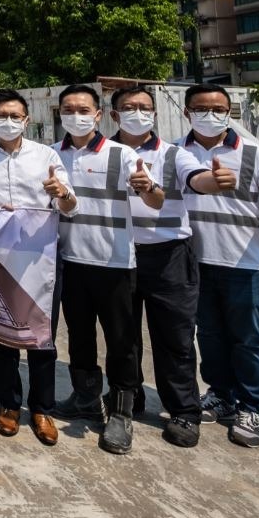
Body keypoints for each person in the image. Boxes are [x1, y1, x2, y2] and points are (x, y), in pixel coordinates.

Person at [110, 85, 239, 449]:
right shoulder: (105, 152)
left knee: (175, 337)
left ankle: (184, 411)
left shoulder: (173, 154)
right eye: (129, 107)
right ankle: (127, 397)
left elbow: (197, 178)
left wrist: (214, 181)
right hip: (118, 254)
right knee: (123, 336)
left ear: (154, 114)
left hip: (168, 257)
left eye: (144, 107)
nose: (138, 113)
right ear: (115, 115)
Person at [176, 84, 259, 449]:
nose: (210, 115)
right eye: (202, 108)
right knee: (209, 334)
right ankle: (221, 394)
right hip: (196, 261)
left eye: (218, 109)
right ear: (187, 112)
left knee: (248, 338)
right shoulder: (176, 152)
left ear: (229, 113)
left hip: (247, 263)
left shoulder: (256, 154)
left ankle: (252, 407)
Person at [51, 84, 164, 455]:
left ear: (98, 115)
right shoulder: (52, 154)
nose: (76, 116)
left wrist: (148, 187)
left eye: (84, 110)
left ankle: (121, 411)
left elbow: (155, 199)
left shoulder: (122, 154)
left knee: (121, 341)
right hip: (71, 261)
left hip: (114, 263)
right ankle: (85, 397)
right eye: (69, 110)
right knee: (79, 335)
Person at [0, 88, 76, 447]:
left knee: (41, 336)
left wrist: (61, 193)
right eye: (1, 115)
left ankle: (42, 408)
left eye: (15, 116)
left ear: (26, 120)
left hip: (40, 257)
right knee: (2, 334)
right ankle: (9, 403)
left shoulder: (46, 156)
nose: (8, 121)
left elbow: (69, 206)